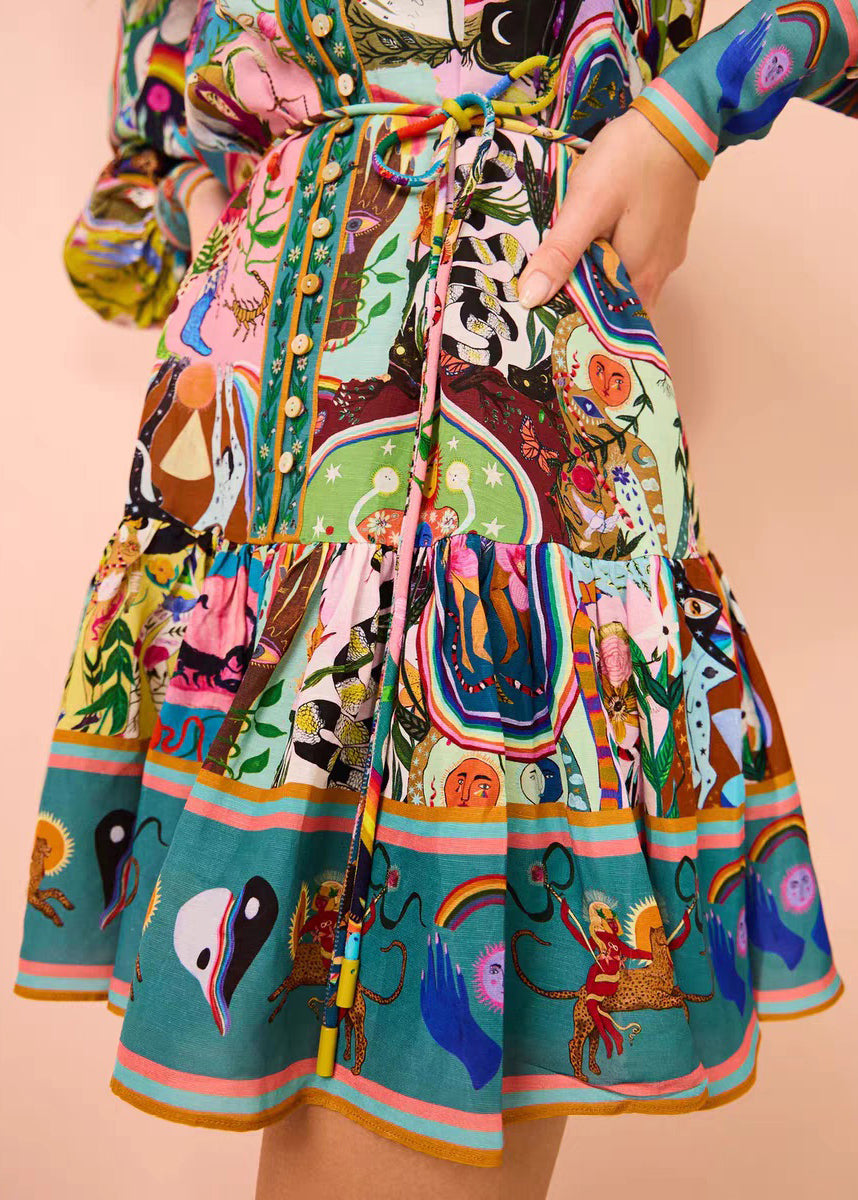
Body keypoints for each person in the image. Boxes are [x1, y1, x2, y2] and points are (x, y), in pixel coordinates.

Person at [13, 2, 855, 1197]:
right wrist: (214, 201)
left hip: (513, 453)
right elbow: (129, 211)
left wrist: (690, 113)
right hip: (255, 479)